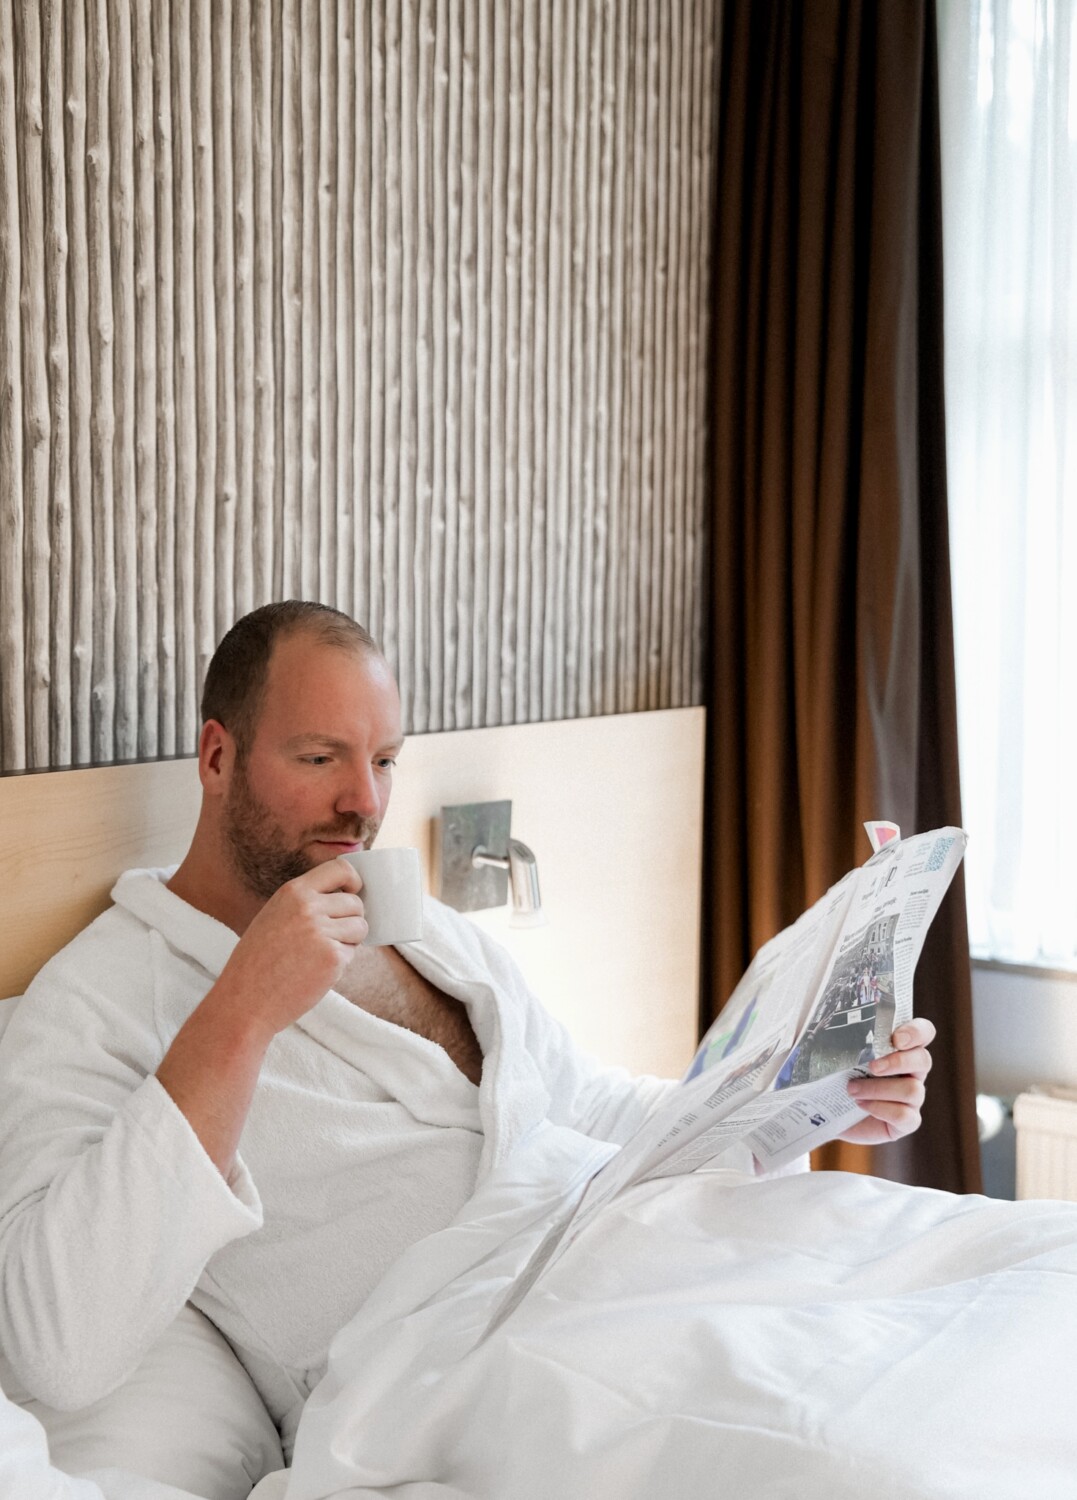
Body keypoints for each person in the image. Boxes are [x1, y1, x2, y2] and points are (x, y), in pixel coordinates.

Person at [0, 601, 934, 1457]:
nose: (364, 801)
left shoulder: (425, 929)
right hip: (468, 1377)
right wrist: (242, 1012)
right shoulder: (98, 1003)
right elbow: (57, 1344)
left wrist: (802, 1102)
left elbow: (585, 1103)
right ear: (217, 757)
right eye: (321, 758)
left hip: (625, 1276)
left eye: (386, 760)